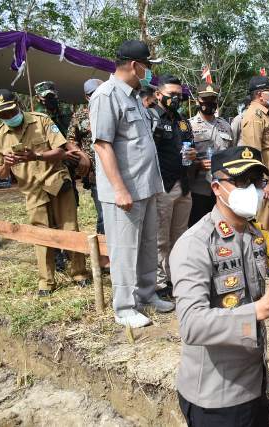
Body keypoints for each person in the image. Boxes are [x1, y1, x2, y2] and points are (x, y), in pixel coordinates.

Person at [170, 146, 269, 426]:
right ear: (216, 188)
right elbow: (191, 324)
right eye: (241, 182)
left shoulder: (257, 234)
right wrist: (259, 310)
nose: (253, 191)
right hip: (216, 397)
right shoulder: (195, 244)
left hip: (254, 383)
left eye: (257, 182)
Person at [89, 39, 173, 328]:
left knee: (148, 244)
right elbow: (102, 145)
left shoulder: (135, 96)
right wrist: (119, 188)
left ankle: (147, 294)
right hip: (124, 191)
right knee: (124, 249)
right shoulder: (106, 95)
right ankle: (124, 307)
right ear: (136, 66)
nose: (150, 72)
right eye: (148, 66)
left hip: (147, 186)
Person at [0, 89, 91, 296]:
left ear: (18, 105)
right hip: (32, 190)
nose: (8, 117)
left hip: (56, 181)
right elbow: (0, 173)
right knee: (40, 234)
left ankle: (79, 273)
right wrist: (7, 165)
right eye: (2, 114)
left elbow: (61, 150)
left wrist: (35, 156)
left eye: (10, 111)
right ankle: (46, 282)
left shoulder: (42, 121)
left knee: (70, 229)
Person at [150, 74, 196, 297]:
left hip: (184, 185)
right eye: (172, 95)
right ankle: (159, 284)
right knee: (161, 239)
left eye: (179, 95)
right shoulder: (151, 118)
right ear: (158, 94)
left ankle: (176, 277)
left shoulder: (182, 121)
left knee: (180, 236)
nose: (176, 99)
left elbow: (191, 146)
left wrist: (194, 154)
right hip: (162, 186)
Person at [35, 80, 76, 271]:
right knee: (50, 217)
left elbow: (71, 139)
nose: (51, 100)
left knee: (68, 215)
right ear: (39, 98)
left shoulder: (66, 115)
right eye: (46, 97)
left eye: (53, 96)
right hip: (47, 173)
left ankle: (70, 251)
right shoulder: (35, 119)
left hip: (66, 172)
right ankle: (57, 257)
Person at [241, 76, 269, 237]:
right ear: (260, 94)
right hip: (265, 183)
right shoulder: (254, 116)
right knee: (263, 228)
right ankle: (261, 260)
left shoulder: (265, 115)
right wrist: (263, 181)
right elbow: (253, 152)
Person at [187, 82, 234, 227]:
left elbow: (232, 153)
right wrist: (198, 164)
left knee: (224, 227)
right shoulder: (189, 126)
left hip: (223, 187)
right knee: (199, 228)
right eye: (205, 100)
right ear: (197, 101)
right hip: (199, 189)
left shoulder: (225, 126)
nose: (209, 103)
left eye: (212, 100)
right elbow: (184, 159)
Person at [67, 79, 105, 235]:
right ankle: (104, 254)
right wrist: (81, 154)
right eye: (92, 94)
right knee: (103, 214)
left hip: (120, 170)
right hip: (96, 174)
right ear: (87, 97)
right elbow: (70, 140)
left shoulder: (116, 110)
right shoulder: (80, 115)